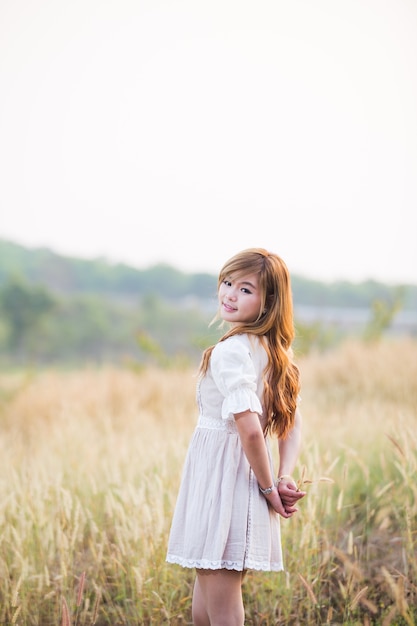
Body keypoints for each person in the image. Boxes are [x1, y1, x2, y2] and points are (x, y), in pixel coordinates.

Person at [166, 248, 306, 626]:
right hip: (242, 480)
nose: (229, 294)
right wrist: (282, 476)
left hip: (225, 483)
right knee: (206, 602)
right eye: (227, 283)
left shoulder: (231, 351)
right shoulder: (278, 353)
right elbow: (290, 427)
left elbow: (249, 430)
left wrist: (268, 489)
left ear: (269, 302)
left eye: (245, 289)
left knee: (223, 607)